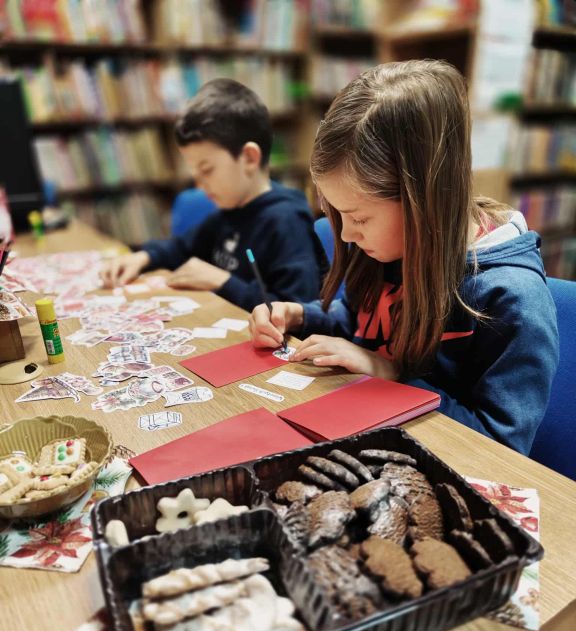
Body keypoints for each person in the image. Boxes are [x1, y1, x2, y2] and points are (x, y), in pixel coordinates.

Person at [250, 60, 559, 455]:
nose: (345, 234)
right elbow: (362, 320)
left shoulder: (512, 298)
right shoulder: (392, 245)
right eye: (337, 214)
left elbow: (501, 448)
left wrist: (391, 375)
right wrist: (299, 315)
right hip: (368, 440)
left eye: (359, 217)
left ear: (424, 202)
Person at [100, 79, 327, 312]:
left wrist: (222, 281)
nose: (199, 185)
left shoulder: (287, 222)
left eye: (207, 170)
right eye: (195, 174)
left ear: (249, 158)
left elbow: (296, 310)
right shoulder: (232, 209)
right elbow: (182, 248)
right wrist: (143, 257)